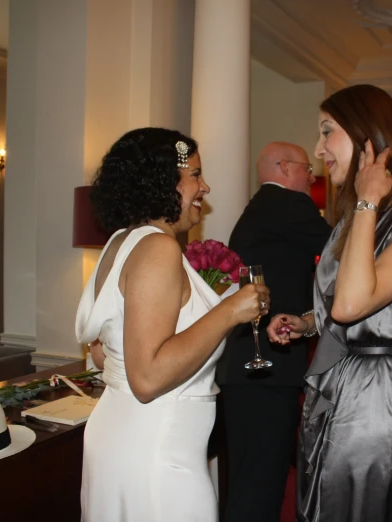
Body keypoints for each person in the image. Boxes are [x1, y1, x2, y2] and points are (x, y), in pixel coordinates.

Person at [266, 84, 392, 522]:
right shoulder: (353, 219)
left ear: (368, 138)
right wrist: (308, 324)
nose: (318, 148)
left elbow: (351, 305)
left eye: (328, 132)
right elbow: (337, 306)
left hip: (378, 392)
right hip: (335, 380)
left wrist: (367, 199)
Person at [75, 127, 270, 522]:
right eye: (196, 174)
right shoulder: (157, 249)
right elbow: (147, 378)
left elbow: (102, 350)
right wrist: (229, 311)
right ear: (165, 180)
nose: (206, 187)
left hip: (127, 439)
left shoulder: (122, 241)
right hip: (155, 453)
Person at [218, 141, 331, 522]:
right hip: (267, 366)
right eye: (306, 167)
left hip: (245, 367)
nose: (312, 176)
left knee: (245, 478)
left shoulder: (258, 208)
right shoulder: (289, 204)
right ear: (284, 167)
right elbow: (340, 249)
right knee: (260, 484)